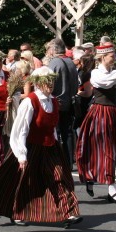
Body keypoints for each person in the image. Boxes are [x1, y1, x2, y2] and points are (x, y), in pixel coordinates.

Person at [0, 67, 82, 227]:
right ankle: (16, 213)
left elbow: (52, 126)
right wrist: (21, 155)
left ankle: (69, 213)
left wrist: (55, 142)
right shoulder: (30, 101)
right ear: (38, 83)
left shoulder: (53, 101)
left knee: (60, 177)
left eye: (52, 81)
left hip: (50, 147)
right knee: (24, 182)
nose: (50, 84)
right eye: (47, 81)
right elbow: (20, 131)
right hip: (30, 147)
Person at [75, 44, 116, 203]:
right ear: (102, 57)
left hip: (113, 114)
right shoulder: (96, 73)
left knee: (112, 150)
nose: (114, 58)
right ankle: (90, 176)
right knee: (94, 148)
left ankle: (111, 187)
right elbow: (105, 82)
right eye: (111, 55)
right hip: (99, 114)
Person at [46, 38, 79, 167]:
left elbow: (48, 84)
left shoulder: (54, 63)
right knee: (68, 133)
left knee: (56, 133)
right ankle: (69, 162)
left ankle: (57, 162)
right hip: (69, 103)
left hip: (56, 103)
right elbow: (76, 86)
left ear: (54, 50)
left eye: (49, 49)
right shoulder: (71, 62)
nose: (48, 52)